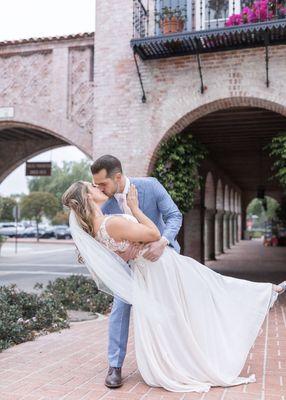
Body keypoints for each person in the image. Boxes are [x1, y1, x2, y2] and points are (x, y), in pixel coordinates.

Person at [62, 178, 286, 394]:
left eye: (98, 182)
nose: (96, 186)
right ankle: (263, 293)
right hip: (160, 269)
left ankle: (264, 292)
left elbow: (123, 248)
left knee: (197, 296)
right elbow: (153, 234)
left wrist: (129, 250)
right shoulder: (111, 221)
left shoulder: (96, 228)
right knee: (210, 288)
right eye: (91, 186)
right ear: (88, 197)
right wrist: (135, 208)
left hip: (152, 269)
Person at [90, 155, 183, 388]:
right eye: (97, 184)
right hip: (128, 267)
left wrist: (162, 241)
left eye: (103, 183)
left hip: (160, 259)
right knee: (120, 308)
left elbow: (174, 216)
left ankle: (171, 360)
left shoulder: (150, 186)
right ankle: (115, 366)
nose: (99, 188)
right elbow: (106, 242)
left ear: (118, 177)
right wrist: (122, 254)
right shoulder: (106, 205)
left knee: (169, 309)